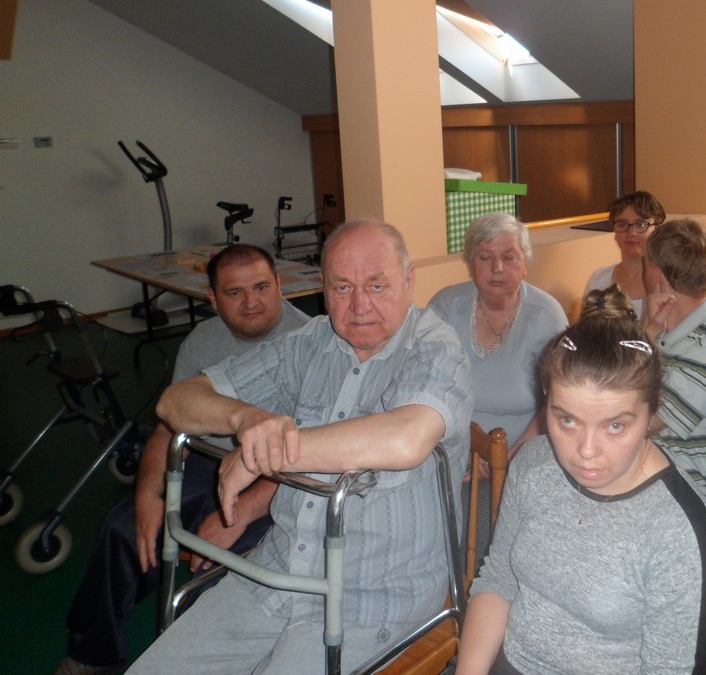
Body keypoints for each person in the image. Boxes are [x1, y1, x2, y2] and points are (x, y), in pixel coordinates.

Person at [126, 220, 473, 675]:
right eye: (342, 287)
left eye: (377, 285)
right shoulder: (311, 341)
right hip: (275, 571)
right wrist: (247, 420)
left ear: (409, 281)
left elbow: (405, 438)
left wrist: (262, 453)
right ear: (323, 288)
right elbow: (176, 401)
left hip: (373, 597)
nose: (360, 305)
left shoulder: (435, 347)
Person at [55, 244, 310, 675]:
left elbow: (309, 458)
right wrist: (148, 495)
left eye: (262, 287)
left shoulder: (310, 340)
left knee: (218, 575)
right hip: (210, 463)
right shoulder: (202, 341)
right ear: (212, 298)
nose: (251, 302)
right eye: (234, 293)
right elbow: (168, 428)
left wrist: (239, 517)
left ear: (280, 286)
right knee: (122, 529)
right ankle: (92, 654)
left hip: (281, 479)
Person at [455, 286, 706, 675]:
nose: (585, 450)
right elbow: (499, 582)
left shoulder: (678, 529)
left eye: (615, 426)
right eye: (567, 419)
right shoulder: (534, 463)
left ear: (651, 413)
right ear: (546, 399)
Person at [429, 213, 568, 451]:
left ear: (526, 264)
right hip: (450, 444)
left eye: (509, 257)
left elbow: (560, 401)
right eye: (485, 257)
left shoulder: (546, 316)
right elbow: (429, 388)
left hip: (525, 448)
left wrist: (511, 460)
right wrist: (465, 449)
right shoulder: (446, 307)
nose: (497, 268)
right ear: (470, 264)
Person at [643, 218, 706, 528]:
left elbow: (639, 426)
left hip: (690, 505)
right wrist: (647, 334)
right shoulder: (662, 332)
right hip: (655, 487)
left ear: (654, 274)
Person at [583, 190, 666, 318]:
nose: (631, 233)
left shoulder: (670, 282)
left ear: (656, 229)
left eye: (641, 224)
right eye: (622, 225)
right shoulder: (599, 280)